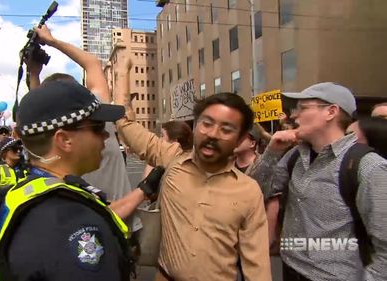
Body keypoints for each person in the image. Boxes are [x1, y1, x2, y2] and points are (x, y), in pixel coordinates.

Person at [0, 80, 164, 281]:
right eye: (97, 127)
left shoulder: (31, 191)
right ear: (64, 140)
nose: (106, 134)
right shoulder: (74, 222)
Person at [114, 60, 271, 281]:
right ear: (195, 125)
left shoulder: (249, 191)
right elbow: (126, 125)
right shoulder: (172, 159)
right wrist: (122, 73)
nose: (213, 134)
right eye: (206, 123)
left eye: (226, 129)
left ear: (241, 138)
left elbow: (258, 267)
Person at [251, 82, 387, 281]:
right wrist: (272, 152)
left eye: (303, 108)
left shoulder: (368, 166)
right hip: (290, 269)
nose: (293, 115)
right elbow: (255, 193)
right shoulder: (295, 156)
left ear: (331, 112)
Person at [26, 25, 142, 232]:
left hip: (81, 226)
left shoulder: (50, 135)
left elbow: (39, 112)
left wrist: (33, 73)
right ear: (63, 140)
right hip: (117, 224)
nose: (103, 133)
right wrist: (51, 40)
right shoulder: (95, 110)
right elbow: (92, 64)